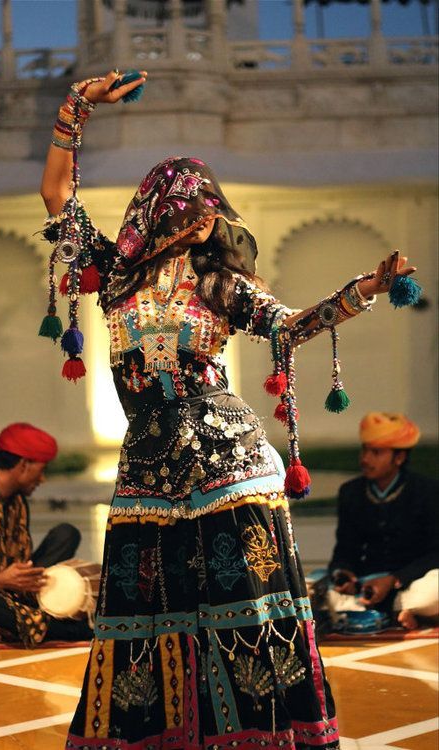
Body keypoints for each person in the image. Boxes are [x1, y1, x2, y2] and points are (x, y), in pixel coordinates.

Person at [40, 71, 417, 750]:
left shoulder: (220, 283)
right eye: (193, 206)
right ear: (159, 210)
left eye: (209, 208)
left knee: (248, 611)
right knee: (139, 616)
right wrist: (76, 106)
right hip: (146, 472)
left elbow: (293, 325)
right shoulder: (113, 279)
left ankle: (271, 736)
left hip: (228, 469)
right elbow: (58, 196)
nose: (206, 217)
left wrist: (365, 289)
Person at [0, 422, 93, 646]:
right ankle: (65, 630)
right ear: (23, 465)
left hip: (6, 591)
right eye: (41, 471)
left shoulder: (18, 501)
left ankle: (19, 610)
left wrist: (19, 579)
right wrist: (1, 580)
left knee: (66, 534)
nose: (42, 479)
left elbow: (19, 561)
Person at [329, 412, 438, 630]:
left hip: (412, 580)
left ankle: (391, 610)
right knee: (322, 592)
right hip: (367, 584)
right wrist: (344, 574)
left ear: (399, 458)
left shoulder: (427, 491)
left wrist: (394, 580)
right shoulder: (350, 492)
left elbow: (436, 553)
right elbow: (344, 550)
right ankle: (400, 611)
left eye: (376, 452)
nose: (365, 459)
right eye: (365, 450)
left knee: (432, 590)